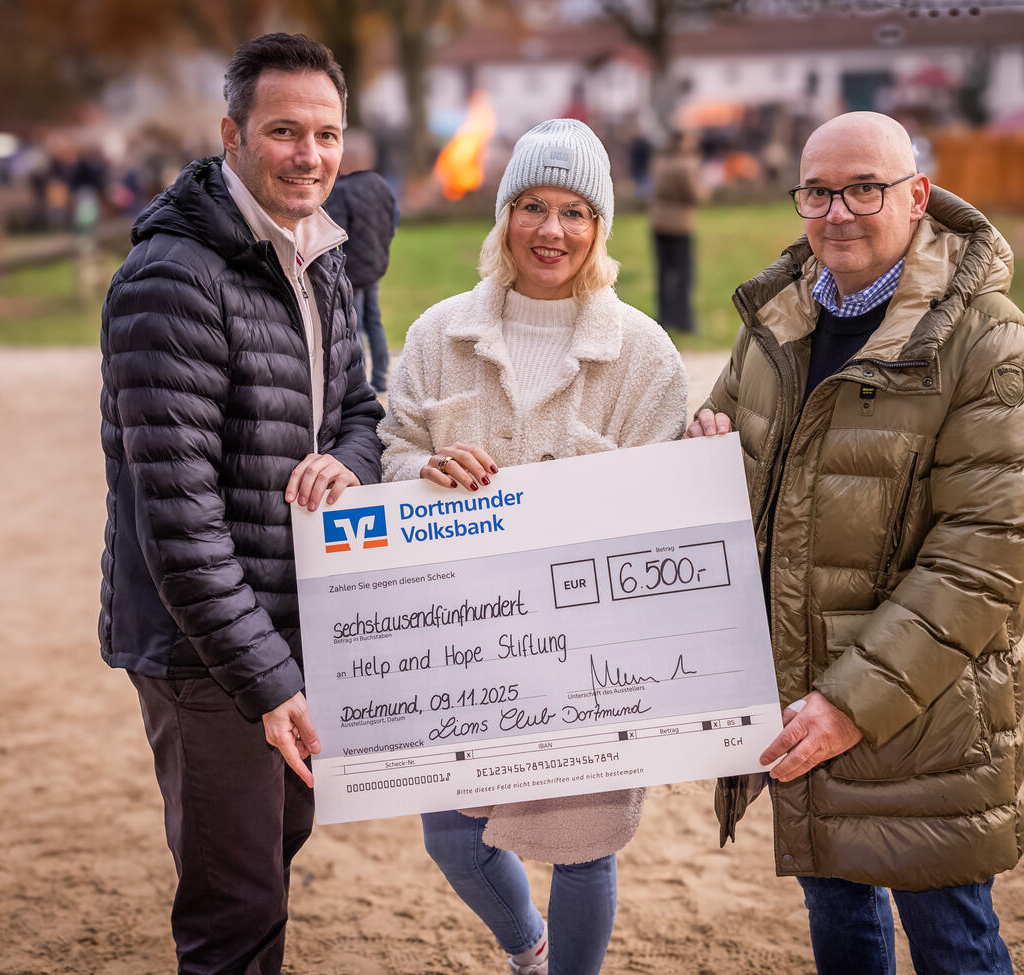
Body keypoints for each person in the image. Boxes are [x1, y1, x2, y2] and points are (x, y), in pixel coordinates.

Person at [689, 111, 1024, 975]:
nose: (838, 210)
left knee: (952, 940)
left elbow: (983, 559)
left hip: (919, 721)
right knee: (840, 924)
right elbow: (736, 473)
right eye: (818, 190)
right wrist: (706, 454)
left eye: (866, 188)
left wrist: (852, 702)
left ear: (918, 195)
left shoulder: (988, 342)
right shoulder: (775, 324)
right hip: (797, 701)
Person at [98, 33, 383, 974]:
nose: (311, 156)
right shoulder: (171, 280)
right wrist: (269, 680)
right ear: (232, 134)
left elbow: (360, 411)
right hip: (204, 648)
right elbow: (178, 521)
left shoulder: (321, 253)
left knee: (275, 849)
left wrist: (345, 461)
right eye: (285, 131)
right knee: (237, 907)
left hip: (300, 620)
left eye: (328, 133)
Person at [379, 118, 688, 975]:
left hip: (590, 648)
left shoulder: (644, 353)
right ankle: (528, 945)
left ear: (601, 228)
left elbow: (667, 500)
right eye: (532, 206)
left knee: (583, 846)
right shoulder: (440, 335)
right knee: (452, 833)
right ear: (504, 215)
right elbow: (393, 442)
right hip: (463, 635)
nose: (551, 230)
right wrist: (423, 466)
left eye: (575, 212)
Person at [322, 127, 398, 392]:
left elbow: (334, 231)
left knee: (353, 324)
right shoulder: (381, 185)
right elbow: (392, 220)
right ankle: (379, 376)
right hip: (375, 265)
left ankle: (359, 383)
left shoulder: (341, 190)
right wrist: (382, 246)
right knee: (374, 320)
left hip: (351, 270)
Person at [649, 129, 707, 333]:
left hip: (659, 221)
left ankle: (664, 317)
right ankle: (684, 321)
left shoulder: (660, 162)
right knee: (683, 275)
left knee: (663, 273)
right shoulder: (686, 166)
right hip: (680, 224)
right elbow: (696, 195)